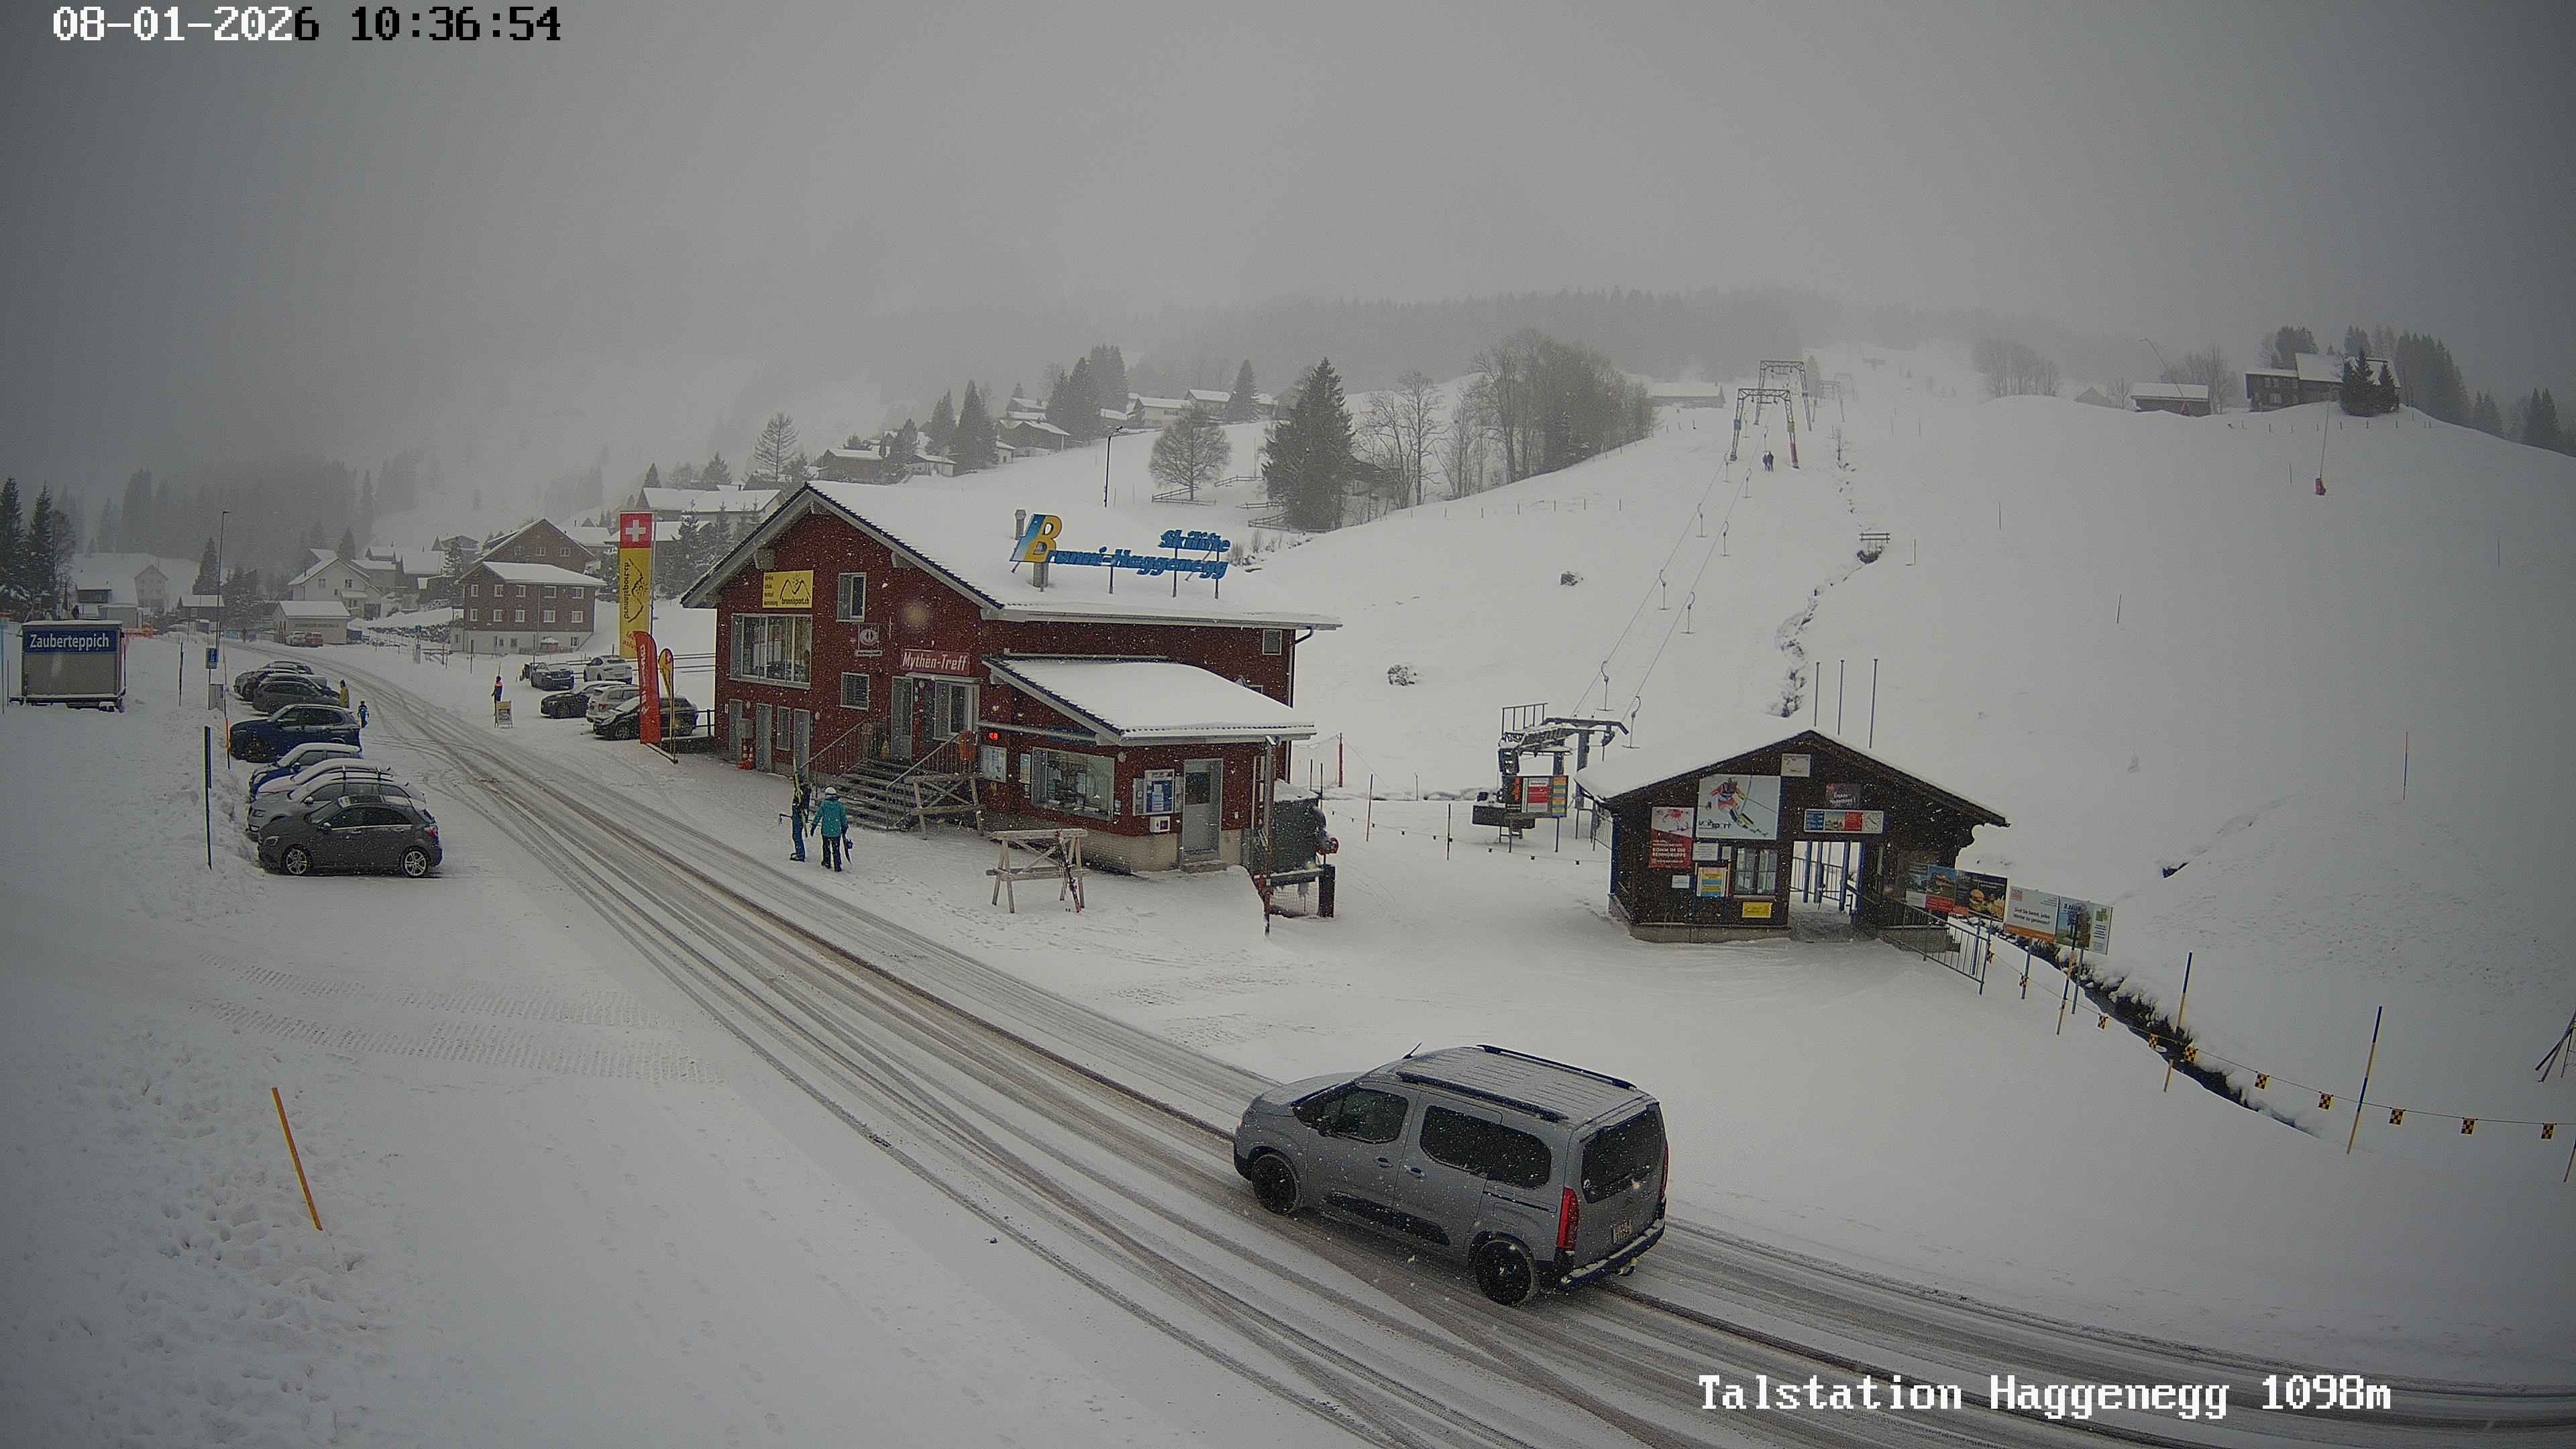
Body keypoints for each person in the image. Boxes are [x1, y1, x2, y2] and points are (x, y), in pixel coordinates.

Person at [816, 786, 849, 871]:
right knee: (836, 848)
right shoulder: (840, 806)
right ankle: (837, 864)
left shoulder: (824, 805)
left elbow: (818, 816)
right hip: (836, 831)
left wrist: (813, 826)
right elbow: (843, 818)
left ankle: (827, 861)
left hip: (826, 831)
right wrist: (845, 827)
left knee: (826, 847)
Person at [786, 774, 812, 862]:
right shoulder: (803, 790)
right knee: (796, 834)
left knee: (796, 834)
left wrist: (798, 806)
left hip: (799, 815)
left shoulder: (802, 790)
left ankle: (800, 854)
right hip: (798, 815)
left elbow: (801, 803)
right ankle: (799, 852)